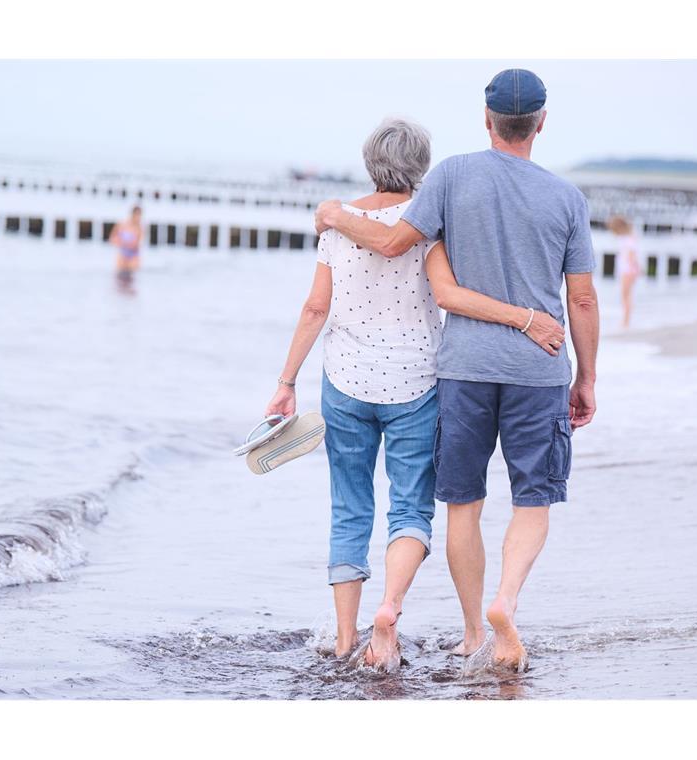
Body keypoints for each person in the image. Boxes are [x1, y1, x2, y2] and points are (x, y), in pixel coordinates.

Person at [315, 68, 600, 672]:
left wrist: (336, 215)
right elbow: (581, 300)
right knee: (533, 499)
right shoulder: (567, 198)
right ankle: (506, 602)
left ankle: (473, 630)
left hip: (464, 369)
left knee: (462, 504)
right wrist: (587, 378)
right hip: (540, 368)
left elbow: (393, 244)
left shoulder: (449, 176)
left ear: (486, 119)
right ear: (541, 123)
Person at [265, 118, 563, 672]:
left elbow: (314, 308)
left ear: (368, 160)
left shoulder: (336, 224)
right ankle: (390, 608)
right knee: (409, 508)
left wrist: (286, 382)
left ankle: (344, 636)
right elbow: (447, 294)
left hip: (345, 381)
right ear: (422, 166)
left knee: (349, 506)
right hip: (417, 384)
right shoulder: (430, 223)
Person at [608, 216, 641, 329]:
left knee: (625, 295)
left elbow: (632, 255)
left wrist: (636, 268)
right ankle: (626, 320)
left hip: (627, 270)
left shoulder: (628, 238)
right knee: (627, 295)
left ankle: (626, 321)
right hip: (627, 269)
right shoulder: (629, 237)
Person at [108, 206, 143, 278]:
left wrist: (125, 243)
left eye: (140, 216)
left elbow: (137, 245)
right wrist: (122, 243)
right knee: (119, 278)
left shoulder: (139, 228)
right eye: (138, 215)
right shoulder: (122, 224)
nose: (139, 218)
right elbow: (112, 239)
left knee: (132, 279)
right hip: (122, 255)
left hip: (133, 256)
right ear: (133, 214)